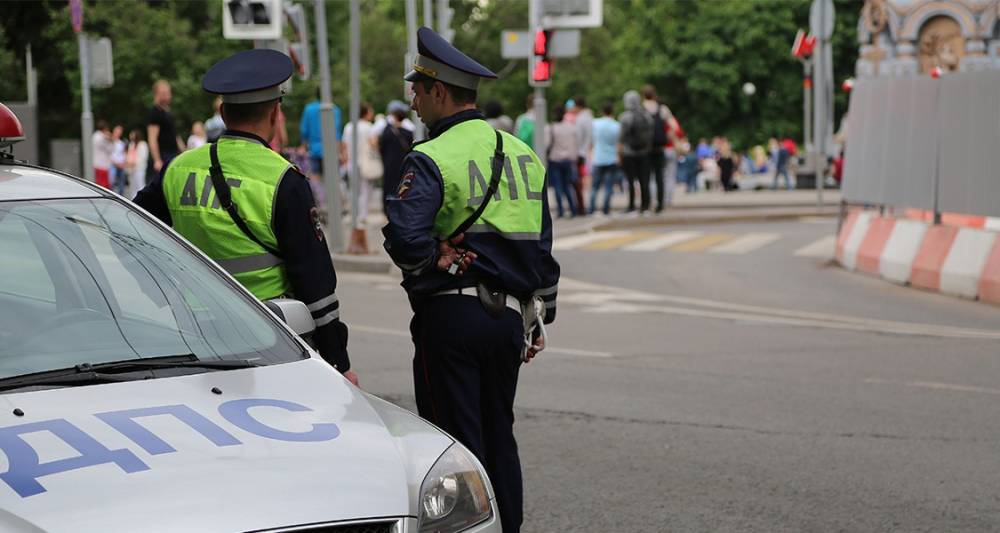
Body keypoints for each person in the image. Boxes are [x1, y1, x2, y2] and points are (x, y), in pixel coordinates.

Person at [383, 27, 560, 533]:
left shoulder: (432, 156)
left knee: (456, 447)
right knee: (499, 436)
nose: (413, 100)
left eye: (418, 89)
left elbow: (405, 239)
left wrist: (439, 260)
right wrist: (539, 315)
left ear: (440, 91)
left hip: (452, 319)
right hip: (508, 322)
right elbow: (542, 251)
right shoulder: (524, 155)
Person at [134, 49, 357, 387]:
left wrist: (160, 292)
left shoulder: (179, 168)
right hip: (267, 341)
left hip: (194, 338)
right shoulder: (284, 179)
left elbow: (130, 230)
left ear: (222, 113)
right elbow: (316, 284)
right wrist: (338, 363)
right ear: (275, 112)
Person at [341, 102, 379, 240]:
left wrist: (344, 158)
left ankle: (355, 214)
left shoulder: (349, 126)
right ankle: (362, 216)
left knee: (354, 189)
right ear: (366, 112)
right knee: (365, 190)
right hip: (365, 162)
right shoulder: (369, 127)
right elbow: (373, 144)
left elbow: (344, 145)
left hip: (351, 162)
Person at [300, 92, 343, 208]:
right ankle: (334, 207)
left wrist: (303, 146)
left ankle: (320, 206)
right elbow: (337, 133)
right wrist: (340, 152)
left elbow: (304, 130)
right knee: (332, 179)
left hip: (314, 150)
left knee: (315, 178)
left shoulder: (309, 109)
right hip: (331, 150)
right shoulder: (335, 110)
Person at [618, 90, 654, 214]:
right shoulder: (646, 115)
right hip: (644, 153)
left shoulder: (624, 117)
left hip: (629, 153)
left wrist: (619, 153)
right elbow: (651, 134)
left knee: (630, 180)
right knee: (645, 180)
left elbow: (621, 137)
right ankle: (645, 205)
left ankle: (632, 205)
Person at [378, 100, 414, 213]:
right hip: (403, 163)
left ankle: (387, 208)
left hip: (389, 163)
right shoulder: (409, 132)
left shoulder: (387, 131)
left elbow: (382, 147)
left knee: (388, 186)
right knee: (402, 186)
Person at [546, 104, 579, 218]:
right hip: (568, 160)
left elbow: (547, 144)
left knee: (558, 187)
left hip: (555, 160)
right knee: (567, 186)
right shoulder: (571, 127)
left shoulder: (551, 127)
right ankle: (573, 209)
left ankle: (560, 211)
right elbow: (575, 144)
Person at [589, 101, 621, 216]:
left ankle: (591, 209)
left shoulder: (595, 123)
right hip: (611, 158)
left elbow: (591, 140)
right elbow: (618, 144)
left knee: (595, 187)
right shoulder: (617, 125)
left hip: (598, 158)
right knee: (608, 187)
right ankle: (606, 209)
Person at [147, 80, 185, 174]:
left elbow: (175, 135)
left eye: (169, 92)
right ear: (157, 94)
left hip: (172, 155)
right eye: (165, 93)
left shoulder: (167, 112)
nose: (168, 95)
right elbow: (152, 139)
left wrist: (184, 152)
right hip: (163, 155)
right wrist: (157, 160)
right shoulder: (155, 113)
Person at [573, 96, 593, 216]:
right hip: (587, 152)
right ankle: (584, 206)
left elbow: (578, 137)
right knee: (586, 180)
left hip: (580, 153)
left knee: (580, 182)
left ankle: (581, 207)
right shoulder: (590, 117)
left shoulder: (580, 119)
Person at [125, 128, 149, 197]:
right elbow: (129, 155)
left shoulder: (143, 144)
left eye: (132, 134)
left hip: (139, 169)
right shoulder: (131, 144)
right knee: (132, 187)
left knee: (140, 185)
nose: (130, 135)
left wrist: (134, 163)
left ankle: (142, 201)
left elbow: (143, 157)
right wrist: (127, 162)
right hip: (131, 169)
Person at [92, 120, 114, 189]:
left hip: (96, 164)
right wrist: (110, 139)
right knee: (104, 187)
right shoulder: (102, 137)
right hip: (103, 165)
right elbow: (110, 149)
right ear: (105, 128)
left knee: (98, 185)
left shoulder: (94, 136)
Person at [110, 124, 128, 195]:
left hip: (121, 165)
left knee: (121, 184)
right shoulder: (110, 142)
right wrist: (116, 163)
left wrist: (123, 163)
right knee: (111, 182)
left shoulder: (121, 143)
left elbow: (123, 154)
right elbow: (109, 155)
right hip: (113, 165)